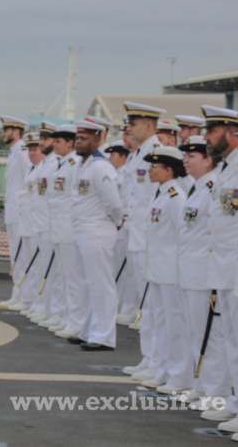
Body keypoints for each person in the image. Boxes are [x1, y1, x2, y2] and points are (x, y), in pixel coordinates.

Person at [176, 135, 229, 410]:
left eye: (191, 156)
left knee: (211, 335)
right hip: (190, 271)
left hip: (204, 273)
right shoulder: (197, 188)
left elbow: (215, 234)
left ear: (208, 160)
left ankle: (215, 391)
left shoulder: (212, 188)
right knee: (194, 332)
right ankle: (200, 385)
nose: (185, 161)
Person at [196, 105, 238, 428]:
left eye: (212, 131)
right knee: (231, 338)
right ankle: (235, 402)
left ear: (232, 132)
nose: (206, 138)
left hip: (236, 266)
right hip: (225, 267)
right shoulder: (226, 168)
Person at [121, 101, 165, 383]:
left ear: (149, 125)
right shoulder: (138, 155)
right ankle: (149, 357)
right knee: (145, 302)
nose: (129, 128)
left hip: (150, 239)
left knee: (153, 304)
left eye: (134, 124)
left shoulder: (158, 154)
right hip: (136, 236)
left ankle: (156, 360)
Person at [140, 147, 189, 393]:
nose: (149, 171)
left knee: (175, 325)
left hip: (171, 272)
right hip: (158, 270)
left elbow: (184, 235)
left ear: (168, 170)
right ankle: (163, 370)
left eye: (154, 167)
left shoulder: (175, 197)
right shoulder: (160, 194)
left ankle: (178, 376)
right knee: (161, 322)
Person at [71, 121, 122, 351]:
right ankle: (88, 330)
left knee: (101, 285)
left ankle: (103, 336)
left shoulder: (101, 166)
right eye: (78, 138)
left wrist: (117, 221)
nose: (78, 143)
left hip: (97, 231)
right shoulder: (84, 165)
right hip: (82, 230)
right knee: (86, 284)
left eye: (84, 139)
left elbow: (113, 203)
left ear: (97, 140)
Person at [46, 124, 83, 340]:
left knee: (72, 279)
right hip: (59, 229)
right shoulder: (63, 164)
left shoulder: (75, 164)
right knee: (63, 276)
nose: (54, 145)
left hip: (69, 230)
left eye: (58, 141)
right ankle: (66, 317)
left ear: (70, 143)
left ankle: (76, 322)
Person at [29, 122, 63, 329]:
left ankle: (55, 310)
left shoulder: (55, 164)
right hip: (42, 224)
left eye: (47, 139)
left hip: (51, 224)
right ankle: (45, 307)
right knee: (45, 269)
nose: (42, 143)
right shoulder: (45, 164)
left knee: (56, 272)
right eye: (41, 139)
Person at [0, 115, 31, 309]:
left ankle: (24, 296)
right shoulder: (14, 152)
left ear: (16, 131)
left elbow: (30, 179)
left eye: (6, 130)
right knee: (15, 254)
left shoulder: (23, 152)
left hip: (20, 212)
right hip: (12, 211)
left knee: (22, 255)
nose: (3, 133)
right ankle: (17, 293)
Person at [105, 140, 138, 326]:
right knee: (117, 268)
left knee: (129, 272)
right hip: (120, 228)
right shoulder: (118, 174)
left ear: (123, 157)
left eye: (113, 155)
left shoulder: (126, 174)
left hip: (127, 227)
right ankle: (120, 305)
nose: (110, 159)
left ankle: (129, 308)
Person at [12, 132, 45, 313]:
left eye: (35, 150)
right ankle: (28, 299)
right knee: (28, 263)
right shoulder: (31, 170)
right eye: (30, 150)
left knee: (37, 266)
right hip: (27, 225)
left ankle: (35, 301)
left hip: (36, 225)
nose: (32, 153)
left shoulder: (44, 170)